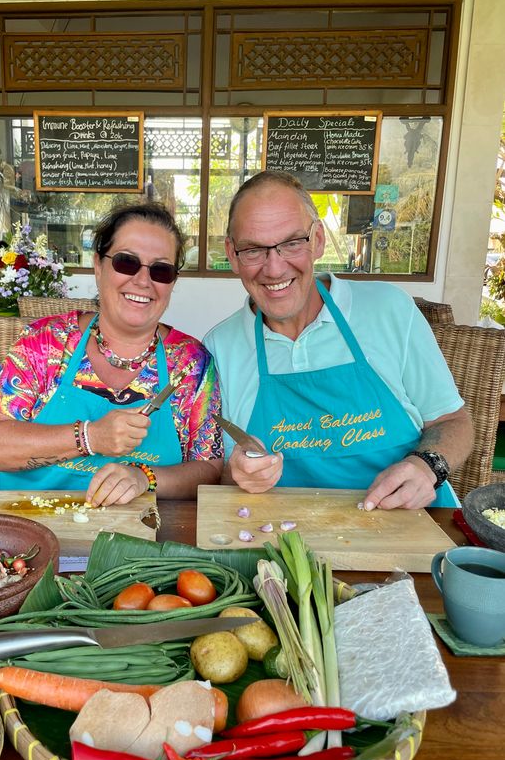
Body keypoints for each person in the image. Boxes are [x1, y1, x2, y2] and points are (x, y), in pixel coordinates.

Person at [203, 171, 473, 510]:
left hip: (412, 524)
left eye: (291, 243)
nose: (273, 269)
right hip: (285, 540)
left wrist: (427, 465)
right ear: (232, 253)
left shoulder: (388, 309)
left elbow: (454, 422)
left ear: (317, 240)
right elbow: (222, 473)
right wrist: (238, 475)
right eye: (254, 249)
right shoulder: (218, 348)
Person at [0, 202, 223, 505]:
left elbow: (209, 468)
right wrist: (90, 437)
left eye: (161, 269)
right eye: (126, 262)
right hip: (24, 530)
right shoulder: (45, 342)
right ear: (98, 266)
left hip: (138, 538)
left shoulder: (190, 362)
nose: (143, 281)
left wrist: (146, 477)